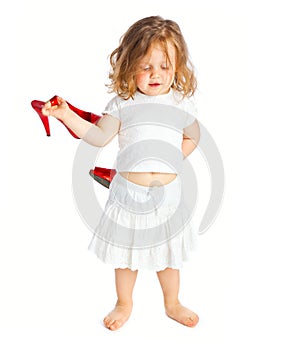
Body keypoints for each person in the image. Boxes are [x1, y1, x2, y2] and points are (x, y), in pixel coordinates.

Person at [42, 16, 200, 331]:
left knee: (167, 255)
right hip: (131, 194)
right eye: (146, 66)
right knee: (127, 255)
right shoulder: (123, 104)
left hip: (167, 196)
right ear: (129, 66)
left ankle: (172, 302)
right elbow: (98, 136)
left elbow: (192, 137)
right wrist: (65, 114)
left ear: (178, 66)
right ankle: (123, 302)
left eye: (165, 66)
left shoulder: (181, 103)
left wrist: (174, 159)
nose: (156, 74)